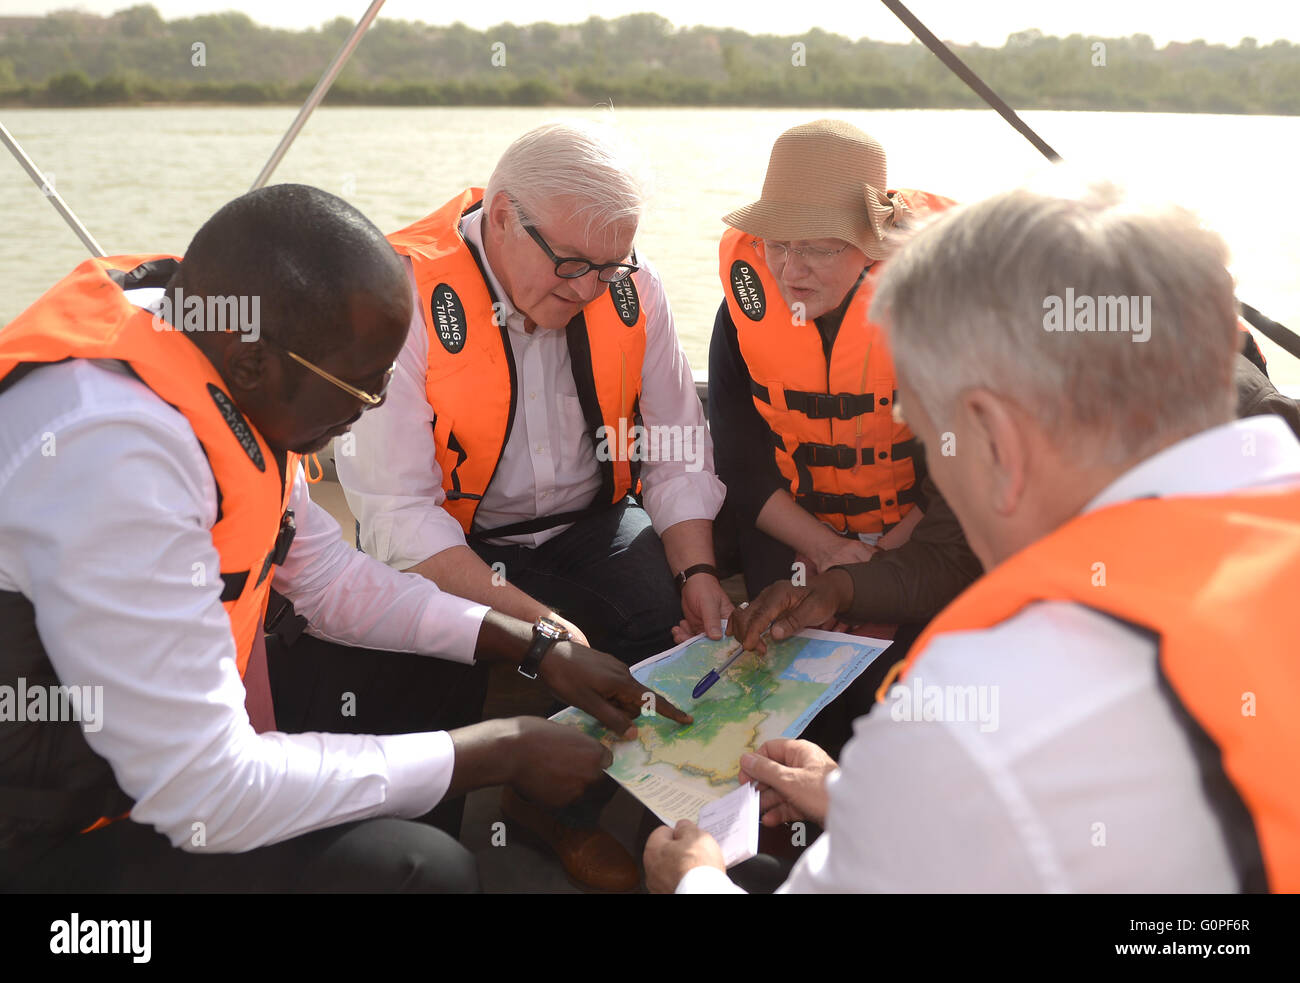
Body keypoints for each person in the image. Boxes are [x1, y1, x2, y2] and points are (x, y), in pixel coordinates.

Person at [0, 184, 688, 893]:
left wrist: (532, 642)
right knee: (422, 872)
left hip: (152, 765)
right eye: (361, 386)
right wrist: (496, 750)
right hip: (51, 843)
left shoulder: (213, 349)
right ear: (251, 364)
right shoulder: (115, 458)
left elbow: (328, 578)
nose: (374, 407)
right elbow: (204, 789)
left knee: (438, 656)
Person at [645, 177, 1300, 892]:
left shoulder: (974, 709)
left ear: (992, 435)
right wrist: (855, 796)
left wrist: (691, 878)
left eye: (931, 439)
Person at [335, 121, 729, 890]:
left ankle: (626, 829)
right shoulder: (402, 295)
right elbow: (398, 516)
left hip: (591, 526)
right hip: (454, 537)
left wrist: (700, 570)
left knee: (666, 621)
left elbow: (678, 447)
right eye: (572, 264)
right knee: (430, 656)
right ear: (506, 216)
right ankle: (424, 860)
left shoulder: (630, 283)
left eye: (608, 268)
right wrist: (541, 633)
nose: (589, 288)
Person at [708, 118, 982, 746]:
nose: (790, 268)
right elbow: (743, 467)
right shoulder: (744, 310)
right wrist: (826, 553)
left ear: (876, 243)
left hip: (918, 544)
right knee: (774, 686)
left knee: (894, 695)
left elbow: (957, 485)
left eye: (819, 247)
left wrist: (871, 573)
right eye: (778, 243)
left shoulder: (937, 314)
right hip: (790, 531)